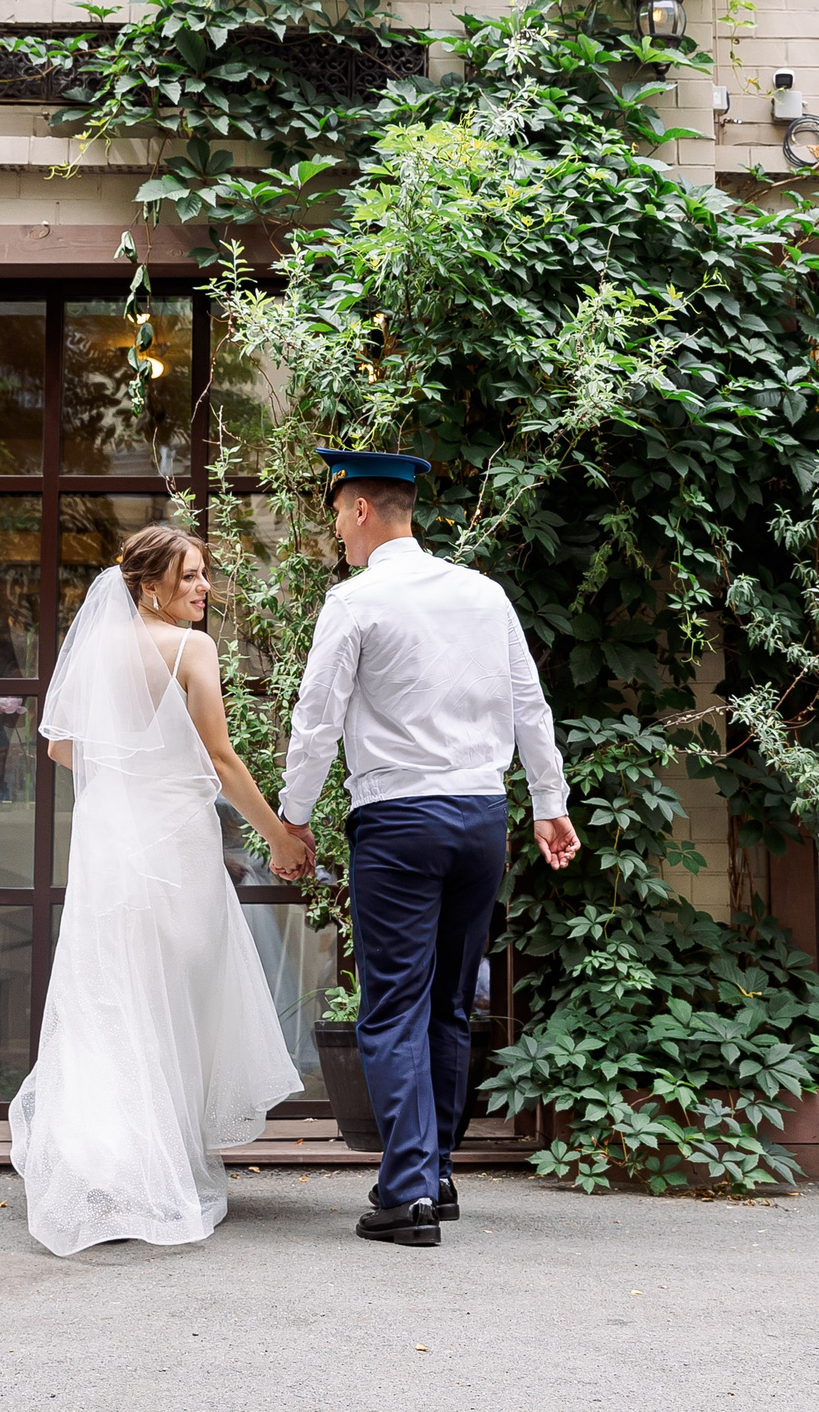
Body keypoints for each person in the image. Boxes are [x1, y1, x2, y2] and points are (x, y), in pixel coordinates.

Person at [280, 449, 578, 1248]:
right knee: (449, 1001)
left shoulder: (354, 601)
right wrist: (548, 803)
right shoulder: (484, 595)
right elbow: (530, 706)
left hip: (399, 822)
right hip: (482, 816)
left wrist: (293, 818)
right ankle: (435, 1171)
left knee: (392, 1006)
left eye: (340, 513)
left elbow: (317, 720)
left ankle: (408, 1190)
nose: (337, 528)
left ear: (366, 511)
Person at [8, 524, 312, 1256]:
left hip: (112, 847)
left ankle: (101, 1167)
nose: (204, 589)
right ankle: (153, 1165)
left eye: (204, 576)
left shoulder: (99, 648)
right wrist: (277, 834)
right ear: (149, 587)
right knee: (170, 995)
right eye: (189, 579)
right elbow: (220, 755)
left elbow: (58, 746)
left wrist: (126, 772)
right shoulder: (191, 649)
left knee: (115, 992)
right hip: (173, 844)